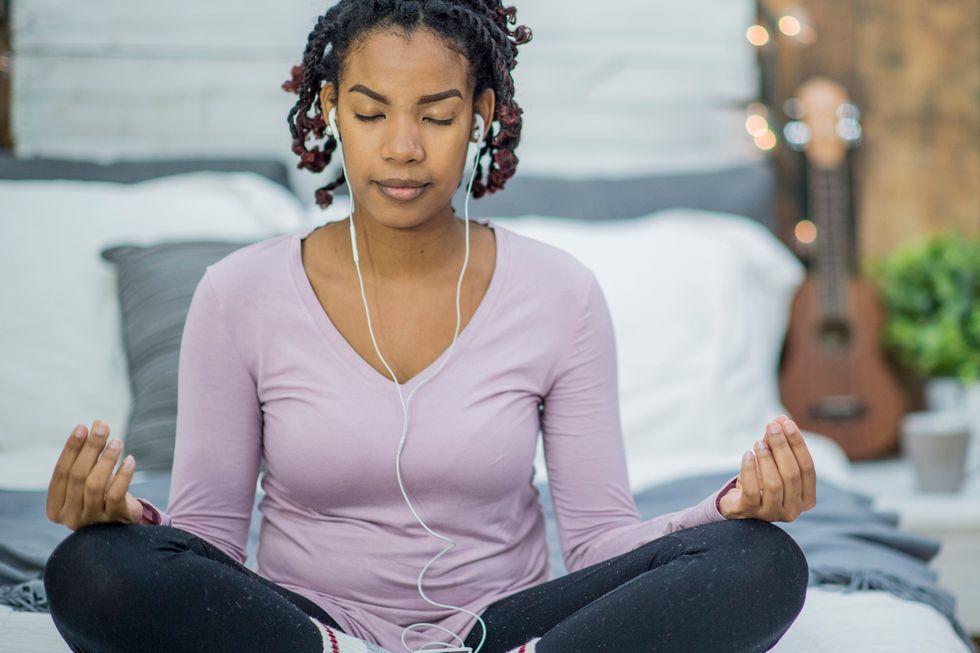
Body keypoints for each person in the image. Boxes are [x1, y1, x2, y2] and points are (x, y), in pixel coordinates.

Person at [42, 1, 816, 652]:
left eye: (437, 115)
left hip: (503, 627)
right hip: (301, 626)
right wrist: (129, 522)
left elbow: (597, 545)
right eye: (370, 111)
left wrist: (726, 507)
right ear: (329, 109)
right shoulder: (237, 293)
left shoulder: (559, 293)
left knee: (761, 560)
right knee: (92, 568)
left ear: (480, 114)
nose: (402, 148)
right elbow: (208, 541)